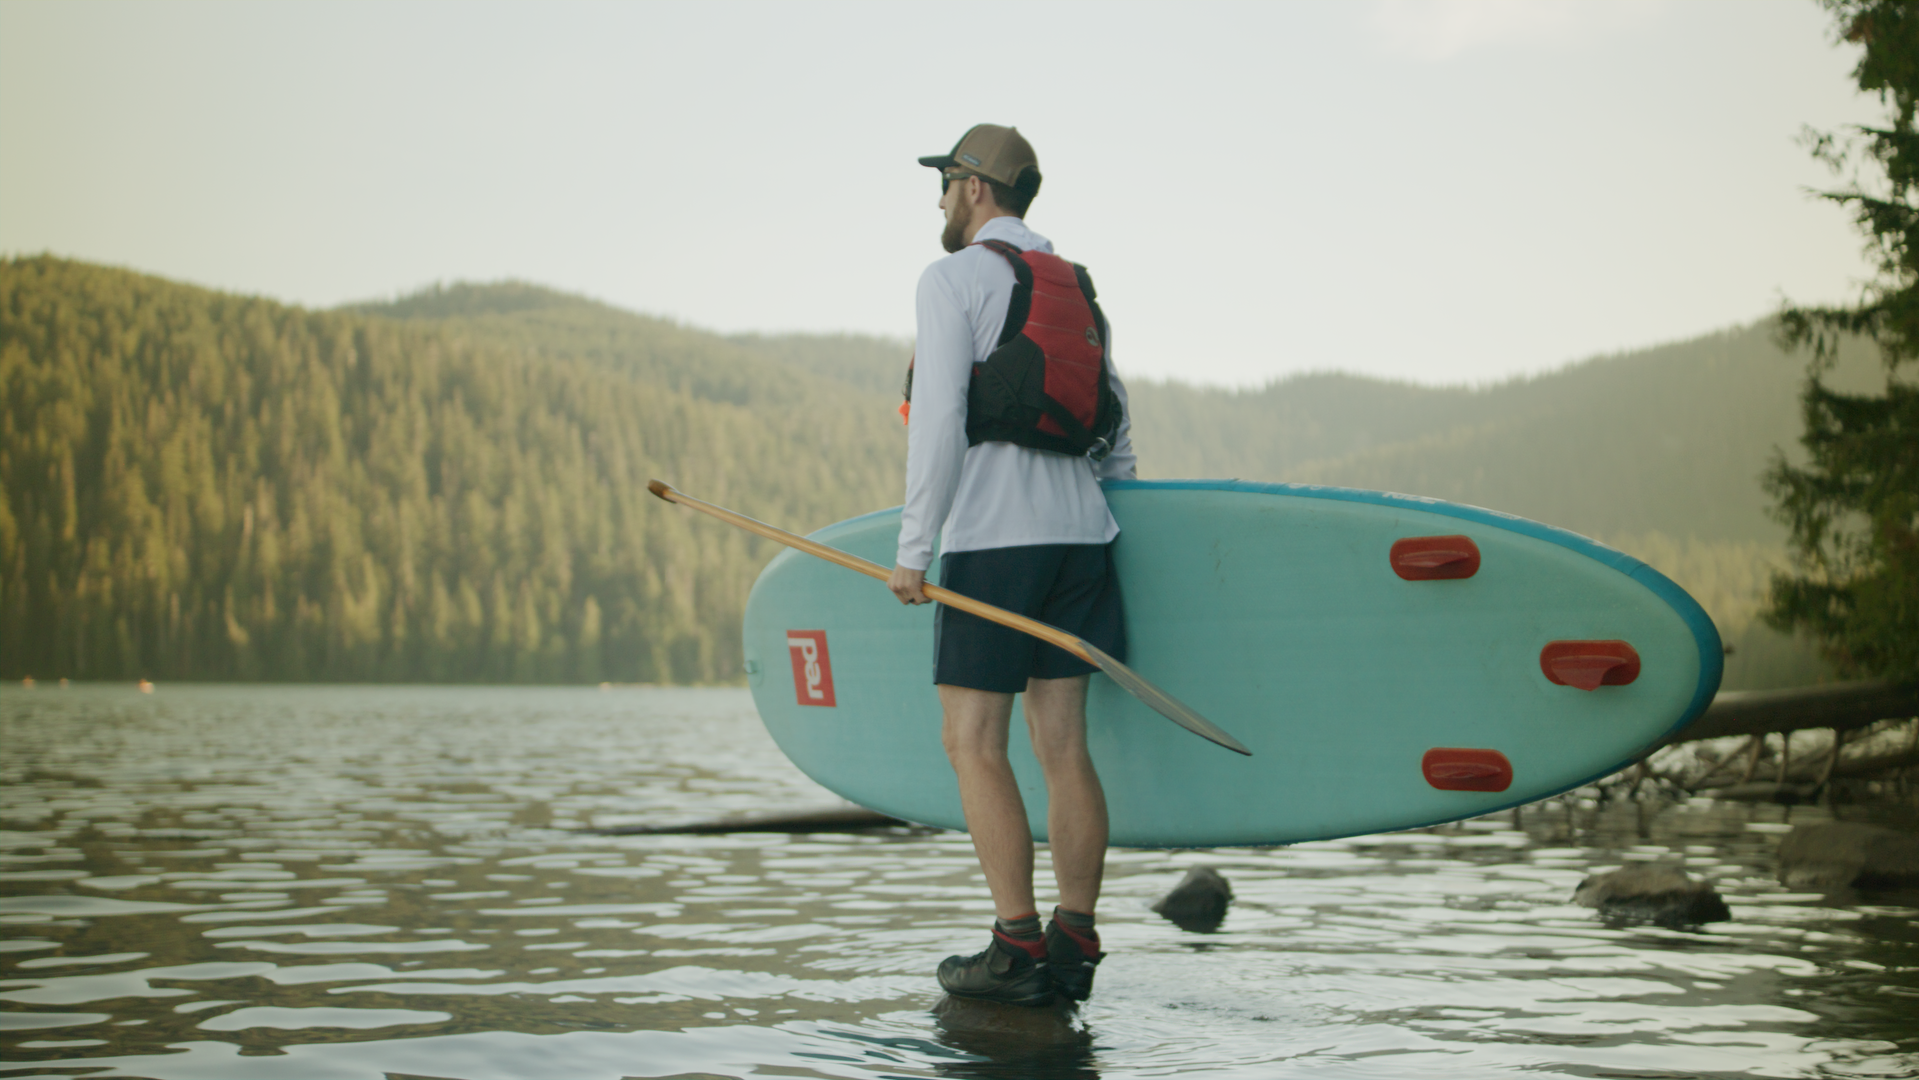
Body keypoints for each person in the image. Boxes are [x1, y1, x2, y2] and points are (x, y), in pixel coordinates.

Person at [887, 123, 1136, 1007]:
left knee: (971, 742)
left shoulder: (951, 278)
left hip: (993, 540)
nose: (940, 201)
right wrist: (1115, 516)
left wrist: (915, 552)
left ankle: (1013, 948)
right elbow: (1114, 418)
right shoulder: (1075, 284)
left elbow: (938, 423)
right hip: (1081, 534)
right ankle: (1074, 941)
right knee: (1063, 744)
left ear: (974, 188)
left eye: (947, 183)